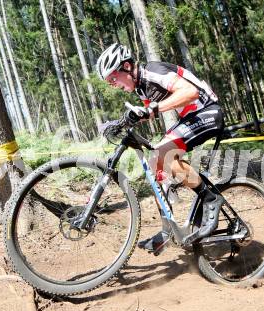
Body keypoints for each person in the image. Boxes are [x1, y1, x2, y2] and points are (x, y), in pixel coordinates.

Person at [96, 43, 224, 253]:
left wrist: (151, 109)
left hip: (207, 111)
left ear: (127, 66)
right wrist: (120, 122)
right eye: (109, 82)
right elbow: (147, 113)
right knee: (156, 166)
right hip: (191, 117)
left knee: (163, 154)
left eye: (113, 78)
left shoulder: (152, 71)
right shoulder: (141, 87)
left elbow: (189, 92)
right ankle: (168, 231)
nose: (112, 84)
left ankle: (211, 199)